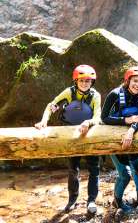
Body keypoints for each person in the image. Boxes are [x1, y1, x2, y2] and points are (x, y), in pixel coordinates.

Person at [34, 65, 102, 214]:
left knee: (94, 170)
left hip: (90, 134)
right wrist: (44, 120)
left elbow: (97, 117)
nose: (85, 83)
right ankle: (72, 199)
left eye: (88, 81)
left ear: (92, 82)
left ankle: (91, 201)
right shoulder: (69, 92)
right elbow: (51, 106)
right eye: (82, 80)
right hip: (71, 135)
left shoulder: (95, 95)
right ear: (76, 81)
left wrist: (88, 122)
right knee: (73, 170)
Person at [101, 67, 138, 212]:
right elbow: (104, 118)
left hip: (134, 137)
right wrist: (126, 120)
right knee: (125, 174)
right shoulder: (115, 94)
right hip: (116, 140)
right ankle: (117, 201)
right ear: (128, 80)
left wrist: (131, 130)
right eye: (135, 81)